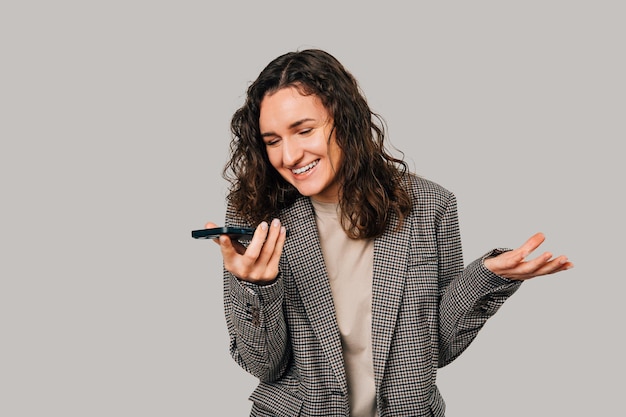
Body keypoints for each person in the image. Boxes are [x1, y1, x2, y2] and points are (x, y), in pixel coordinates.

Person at [202, 49, 573, 417]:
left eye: (304, 130)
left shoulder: (432, 205)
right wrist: (258, 287)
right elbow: (262, 365)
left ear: (344, 120)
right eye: (273, 141)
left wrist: (486, 278)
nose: (289, 155)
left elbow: (436, 350)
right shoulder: (254, 216)